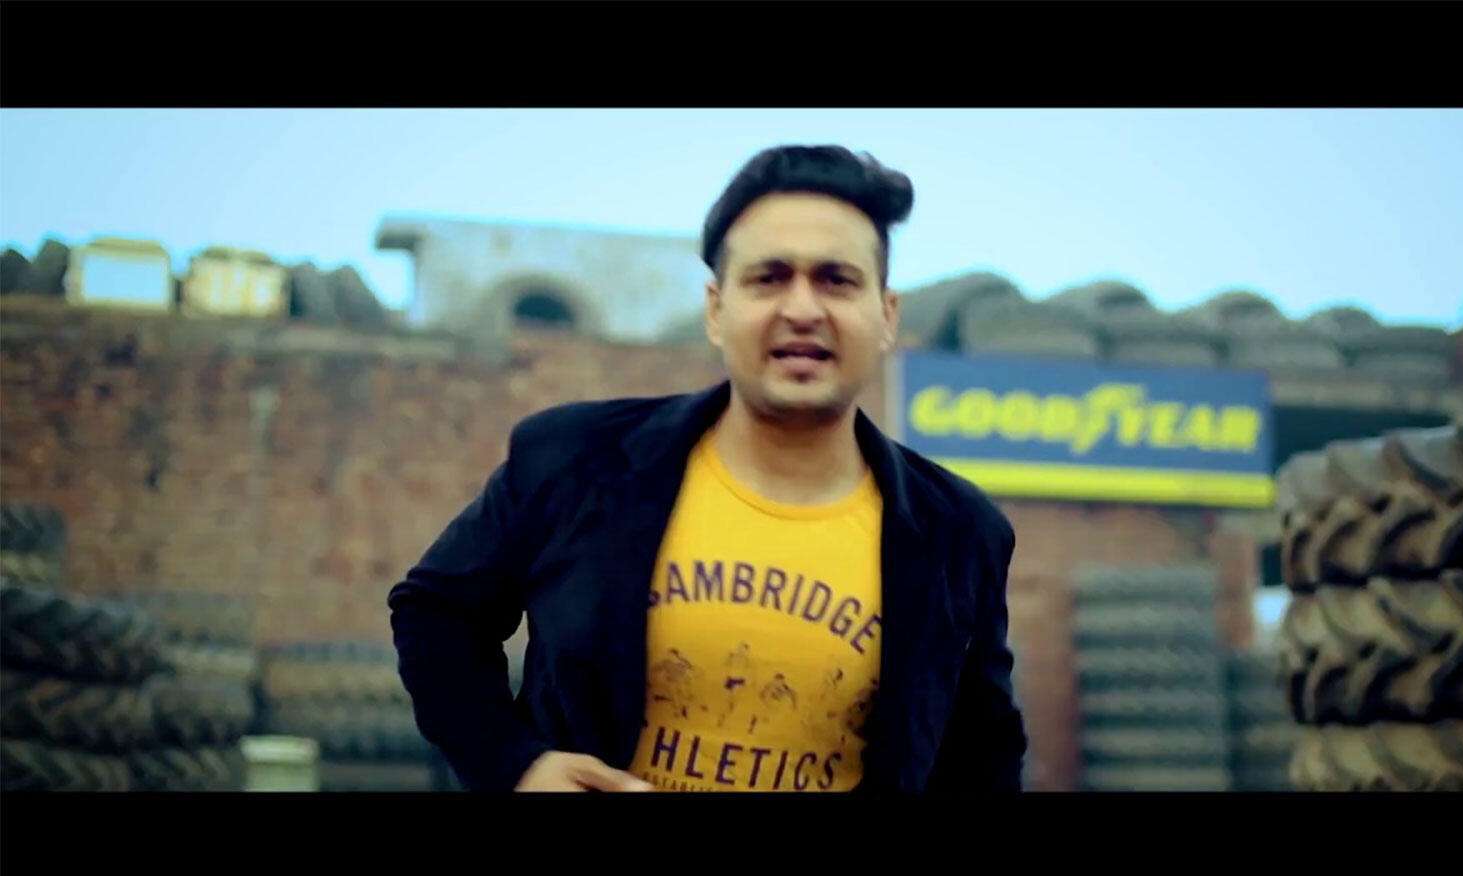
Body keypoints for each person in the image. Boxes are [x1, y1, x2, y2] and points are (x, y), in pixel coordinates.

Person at [388, 145, 1027, 793]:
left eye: (836, 279)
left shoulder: (958, 532)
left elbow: (984, 753)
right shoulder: (577, 461)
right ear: (717, 310)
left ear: (886, 316)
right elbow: (436, 612)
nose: (802, 309)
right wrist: (516, 765)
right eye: (769, 278)